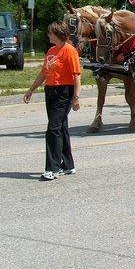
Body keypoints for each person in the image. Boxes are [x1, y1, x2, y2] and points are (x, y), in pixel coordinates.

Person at [24, 21, 82, 181]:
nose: (48, 35)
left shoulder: (69, 51)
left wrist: (76, 97)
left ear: (58, 34)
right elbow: (44, 73)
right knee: (61, 127)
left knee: (53, 129)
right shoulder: (51, 50)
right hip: (50, 90)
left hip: (64, 92)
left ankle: (52, 168)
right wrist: (31, 89)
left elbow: (77, 75)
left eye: (50, 33)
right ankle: (68, 165)